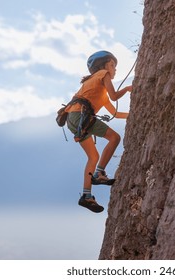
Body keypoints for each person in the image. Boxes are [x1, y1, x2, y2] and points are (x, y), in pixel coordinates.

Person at [65, 50, 132, 213]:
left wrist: (132, 115)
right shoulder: (102, 74)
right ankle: (100, 173)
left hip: (73, 119)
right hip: (81, 116)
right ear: (104, 65)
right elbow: (115, 96)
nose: (114, 69)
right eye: (112, 65)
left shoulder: (93, 83)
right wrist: (129, 88)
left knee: (93, 156)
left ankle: (86, 196)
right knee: (115, 138)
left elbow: (115, 113)